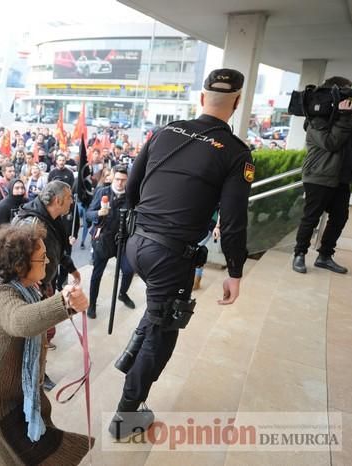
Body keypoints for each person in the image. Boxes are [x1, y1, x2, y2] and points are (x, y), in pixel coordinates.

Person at [109, 69, 252, 439]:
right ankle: (126, 416)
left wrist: (145, 225)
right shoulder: (236, 153)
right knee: (164, 331)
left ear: (202, 98)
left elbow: (132, 187)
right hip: (169, 255)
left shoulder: (167, 131)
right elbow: (234, 220)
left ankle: (128, 357)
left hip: (137, 244)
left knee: (156, 310)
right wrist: (235, 271)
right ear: (236, 104)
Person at [0, 223, 93, 465]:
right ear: (20, 265)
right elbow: (20, 321)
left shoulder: (0, 277)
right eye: (42, 258)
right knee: (23, 456)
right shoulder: (1, 292)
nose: (48, 262)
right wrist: (65, 302)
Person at [292, 76, 352, 274]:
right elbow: (331, 143)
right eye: (346, 93)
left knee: (340, 217)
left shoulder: (345, 117)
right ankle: (299, 254)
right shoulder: (317, 120)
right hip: (319, 175)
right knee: (311, 217)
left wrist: (350, 114)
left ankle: (324, 256)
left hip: (341, 177)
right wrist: (344, 116)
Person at [13, 181, 80, 389]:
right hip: (30, 290)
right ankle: (32, 376)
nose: (72, 201)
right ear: (58, 200)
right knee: (33, 336)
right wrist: (33, 282)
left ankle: (38, 371)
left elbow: (56, 250)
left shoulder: (52, 219)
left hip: (43, 285)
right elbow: (17, 261)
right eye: (69, 197)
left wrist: (71, 269)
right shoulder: (31, 224)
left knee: (43, 333)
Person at [86, 165, 135, 319]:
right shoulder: (102, 192)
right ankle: (92, 304)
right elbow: (88, 214)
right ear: (112, 176)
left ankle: (122, 293)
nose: (120, 183)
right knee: (97, 274)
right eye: (118, 179)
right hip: (104, 239)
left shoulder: (130, 196)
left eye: (123, 180)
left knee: (128, 270)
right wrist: (98, 213)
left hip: (122, 241)